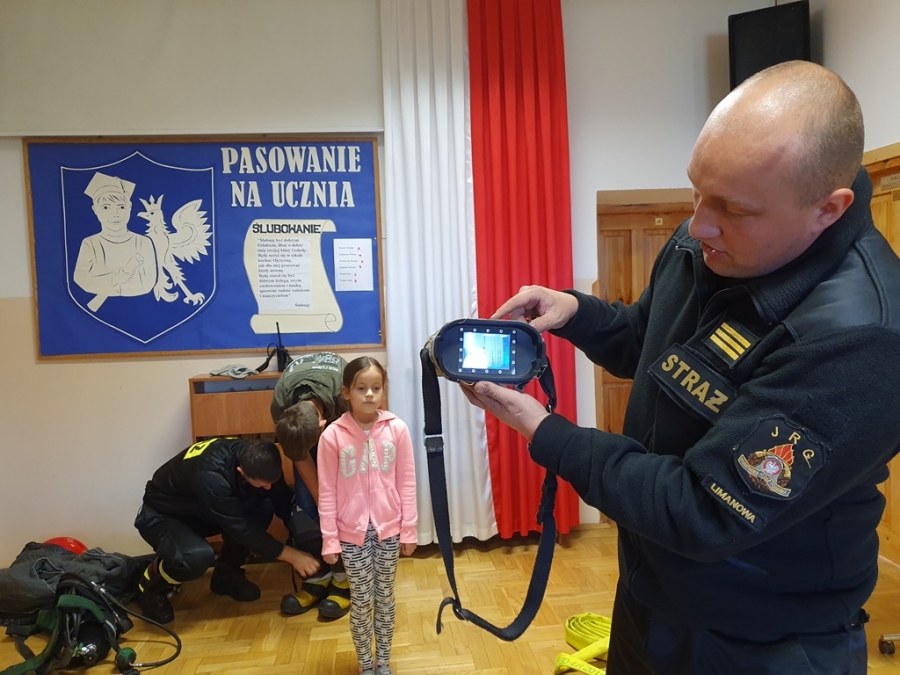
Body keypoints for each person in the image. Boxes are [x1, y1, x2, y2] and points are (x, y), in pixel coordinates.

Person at [461, 61, 900, 674]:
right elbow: (648, 343)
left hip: (760, 644)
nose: (697, 224)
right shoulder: (709, 244)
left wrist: (545, 432)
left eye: (733, 209)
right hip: (652, 604)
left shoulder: (860, 340)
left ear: (828, 208)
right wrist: (576, 313)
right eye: (696, 191)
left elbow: (702, 511)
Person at [133, 438, 320, 624]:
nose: (268, 487)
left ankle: (226, 576)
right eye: (263, 484)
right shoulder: (211, 477)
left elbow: (282, 500)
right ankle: (150, 588)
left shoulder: (260, 459)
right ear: (241, 471)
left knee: (261, 509)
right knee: (196, 557)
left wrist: (302, 538)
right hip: (163, 515)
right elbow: (242, 530)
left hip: (200, 510)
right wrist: (292, 556)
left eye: (271, 482)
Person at [318, 357, 418, 675]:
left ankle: (383, 662)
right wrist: (330, 538)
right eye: (362, 388)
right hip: (351, 534)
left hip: (389, 530)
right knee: (362, 600)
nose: (370, 395)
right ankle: (365, 664)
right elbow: (327, 491)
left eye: (376, 387)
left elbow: (407, 482)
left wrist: (409, 529)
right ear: (347, 392)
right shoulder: (332, 436)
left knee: (385, 598)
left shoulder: (397, 429)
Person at [270, 351, 352, 617]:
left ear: (322, 424)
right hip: (306, 431)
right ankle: (318, 577)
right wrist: (322, 507)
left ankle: (345, 581)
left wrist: (334, 512)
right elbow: (299, 456)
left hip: (350, 443)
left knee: (346, 508)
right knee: (306, 507)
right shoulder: (281, 404)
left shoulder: (346, 394)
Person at [73, 172, 157, 312]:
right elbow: (82, 280)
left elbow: (147, 284)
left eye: (121, 207)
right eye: (106, 207)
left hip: (141, 309)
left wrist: (104, 282)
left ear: (130, 207)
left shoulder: (143, 243)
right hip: (103, 311)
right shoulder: (90, 243)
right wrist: (119, 277)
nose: (115, 214)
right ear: (95, 210)